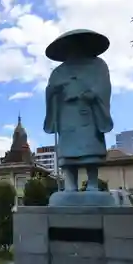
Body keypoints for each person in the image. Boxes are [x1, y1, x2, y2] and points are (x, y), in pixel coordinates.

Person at [43, 29, 114, 192]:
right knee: (68, 154)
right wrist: (54, 91)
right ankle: (70, 186)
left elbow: (103, 86)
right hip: (67, 116)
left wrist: (92, 94)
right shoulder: (59, 71)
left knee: (90, 150)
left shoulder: (98, 65)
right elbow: (50, 90)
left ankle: (93, 183)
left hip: (88, 113)